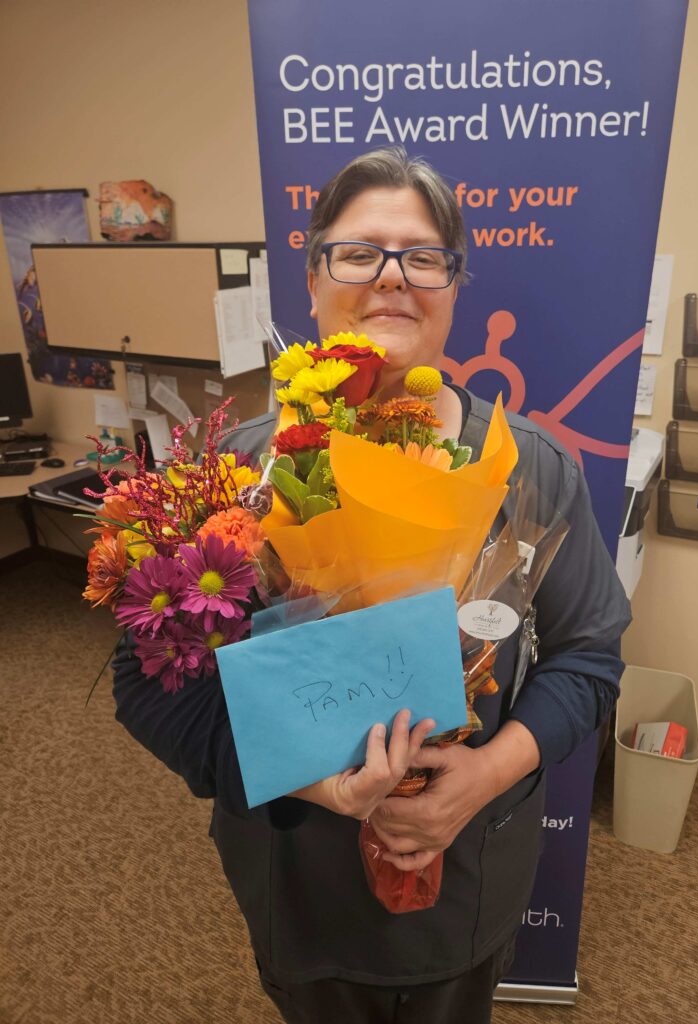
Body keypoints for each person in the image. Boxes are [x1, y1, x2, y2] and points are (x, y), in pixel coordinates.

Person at [112, 146, 631, 1024]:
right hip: (296, 866)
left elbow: (590, 658)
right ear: (313, 281)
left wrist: (479, 779)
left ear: (454, 288)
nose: (392, 278)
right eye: (359, 252)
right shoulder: (236, 473)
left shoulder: (530, 470)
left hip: (468, 865)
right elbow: (149, 684)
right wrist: (323, 787)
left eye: (423, 256)